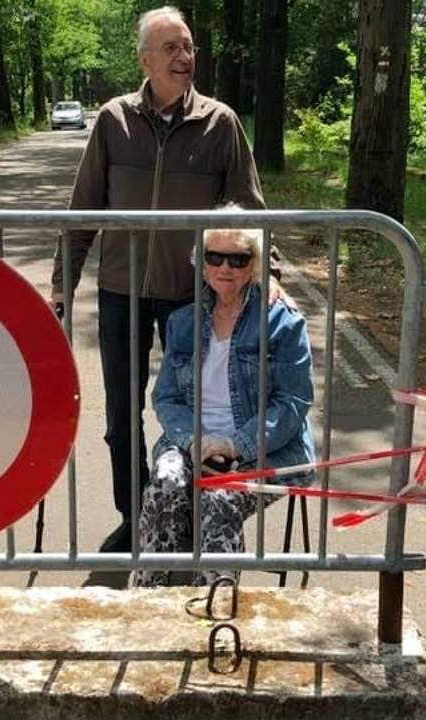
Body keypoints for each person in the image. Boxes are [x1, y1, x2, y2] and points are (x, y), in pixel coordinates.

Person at [50, 5, 277, 553]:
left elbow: (250, 209)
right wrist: (63, 285)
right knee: (121, 416)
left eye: (189, 47)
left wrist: (266, 278)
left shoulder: (220, 122)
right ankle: (136, 515)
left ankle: (194, 510)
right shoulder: (113, 120)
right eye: (171, 47)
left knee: (201, 409)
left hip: (190, 298)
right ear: (145, 58)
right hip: (121, 293)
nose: (184, 57)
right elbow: (84, 211)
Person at [134, 225, 314, 587]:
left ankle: (216, 607)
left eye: (238, 258)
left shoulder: (284, 323)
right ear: (201, 264)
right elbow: (166, 397)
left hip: (263, 446)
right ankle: (149, 597)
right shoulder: (183, 322)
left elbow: (293, 404)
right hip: (191, 439)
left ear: (254, 264)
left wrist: (235, 446)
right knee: (163, 485)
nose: (225, 267)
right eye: (214, 257)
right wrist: (194, 441)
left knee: (220, 498)